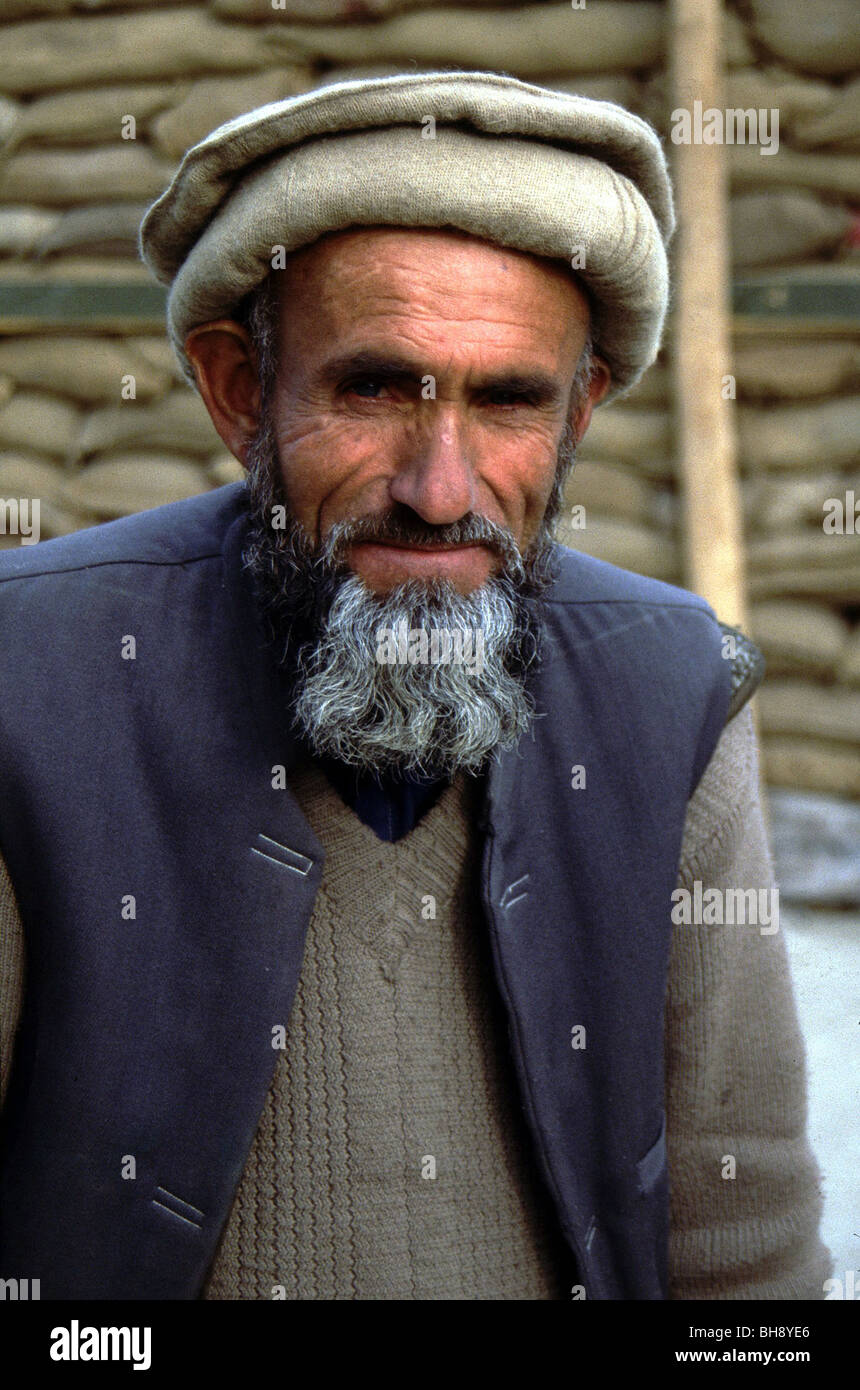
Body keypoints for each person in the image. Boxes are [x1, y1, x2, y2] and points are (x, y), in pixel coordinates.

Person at [0, 71, 830, 1300]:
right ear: (240, 393)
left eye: (508, 401)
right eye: (375, 387)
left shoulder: (671, 695)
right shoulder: (33, 681)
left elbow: (740, 1230)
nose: (439, 488)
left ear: (580, 412)